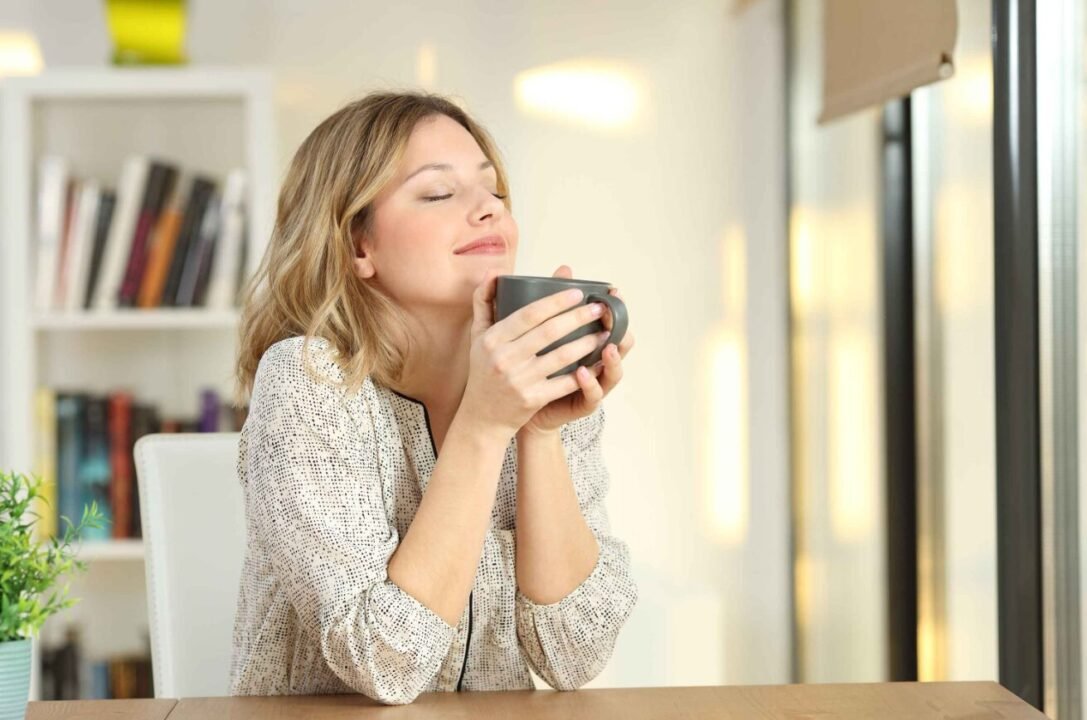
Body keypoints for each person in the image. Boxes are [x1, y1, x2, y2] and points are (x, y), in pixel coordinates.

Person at [228, 91, 638, 705]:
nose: (487, 212)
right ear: (357, 246)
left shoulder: (535, 381)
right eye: (440, 194)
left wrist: (539, 429)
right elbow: (384, 664)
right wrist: (483, 426)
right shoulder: (307, 383)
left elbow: (574, 655)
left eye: (495, 191)